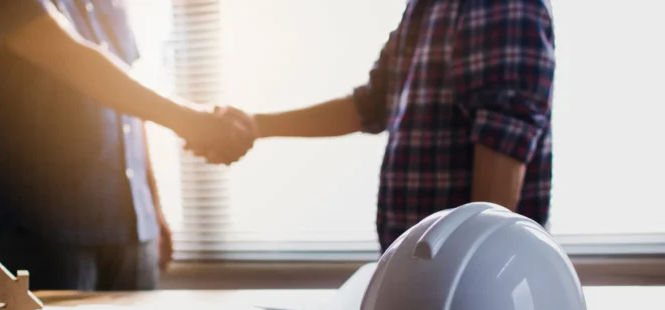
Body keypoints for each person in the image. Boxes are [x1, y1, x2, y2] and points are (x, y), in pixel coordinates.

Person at [208, 0, 556, 253]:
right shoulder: (425, 7)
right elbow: (372, 105)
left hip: (461, 287)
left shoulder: (500, 5)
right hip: (422, 275)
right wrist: (255, 125)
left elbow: (503, 138)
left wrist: (471, 281)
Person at [0, 0, 253, 290]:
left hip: (131, 228)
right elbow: (74, 60)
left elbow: (128, 103)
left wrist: (152, 206)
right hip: (36, 231)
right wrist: (190, 120)